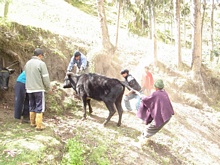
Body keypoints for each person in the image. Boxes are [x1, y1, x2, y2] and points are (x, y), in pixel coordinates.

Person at [24, 48, 51, 131]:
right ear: (40, 55)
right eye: (42, 56)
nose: (42, 58)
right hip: (38, 88)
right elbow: (45, 78)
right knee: (39, 106)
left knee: (31, 105)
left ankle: (32, 122)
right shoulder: (41, 64)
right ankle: (39, 125)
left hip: (29, 88)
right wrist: (48, 88)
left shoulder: (27, 63)